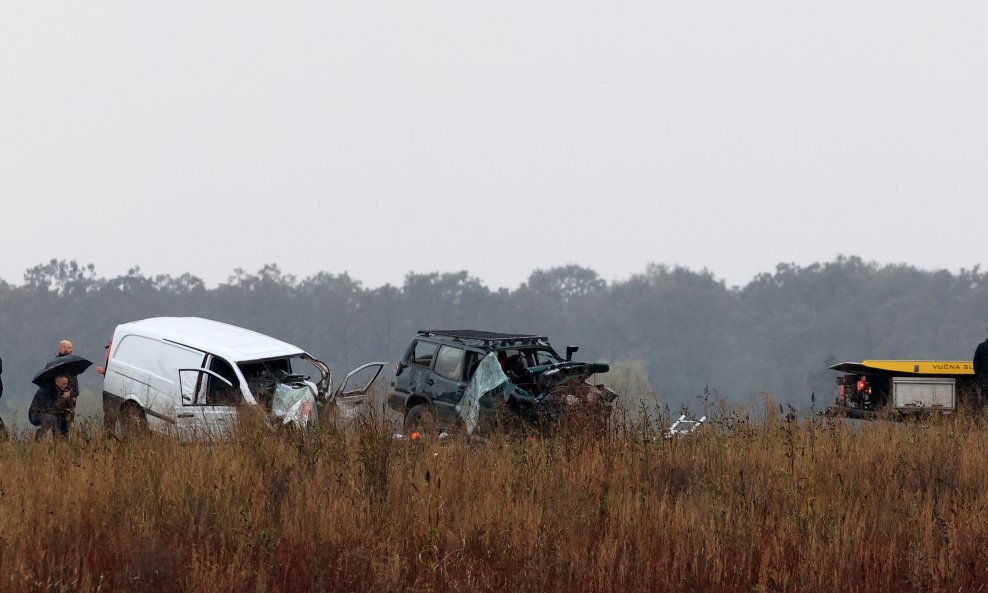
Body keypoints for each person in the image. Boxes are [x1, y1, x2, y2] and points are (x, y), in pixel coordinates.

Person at [29, 373, 75, 438]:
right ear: (57, 383)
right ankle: (39, 438)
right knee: (52, 419)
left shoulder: (61, 390)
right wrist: (63, 398)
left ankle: (63, 441)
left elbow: (69, 406)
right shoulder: (46, 390)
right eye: (64, 384)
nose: (66, 386)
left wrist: (70, 398)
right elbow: (51, 409)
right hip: (35, 415)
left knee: (63, 421)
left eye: (67, 384)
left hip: (49, 414)